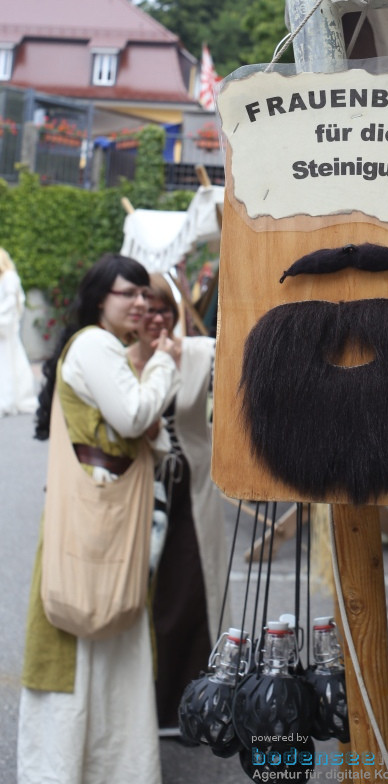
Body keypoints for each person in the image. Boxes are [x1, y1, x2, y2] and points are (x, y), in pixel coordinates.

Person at [18, 254, 181, 784]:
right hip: (95, 524)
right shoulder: (94, 345)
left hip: (99, 521)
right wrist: (162, 364)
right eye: (126, 294)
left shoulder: (107, 348)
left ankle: (92, 768)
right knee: (90, 639)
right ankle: (77, 770)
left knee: (105, 643)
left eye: (143, 294)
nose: (139, 303)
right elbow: (135, 416)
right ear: (98, 299)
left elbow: (148, 434)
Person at [127, 272, 229, 735]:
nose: (156, 318)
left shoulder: (199, 354)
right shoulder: (122, 363)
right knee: (142, 595)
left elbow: (240, 358)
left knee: (190, 590)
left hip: (191, 487)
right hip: (140, 493)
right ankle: (142, 702)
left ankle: (193, 702)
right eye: (146, 309)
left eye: (164, 308)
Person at [0, 248, 37, 416]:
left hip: (6, 328)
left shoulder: (9, 278)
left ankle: (8, 400)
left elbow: (12, 302)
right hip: (5, 326)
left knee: (8, 362)